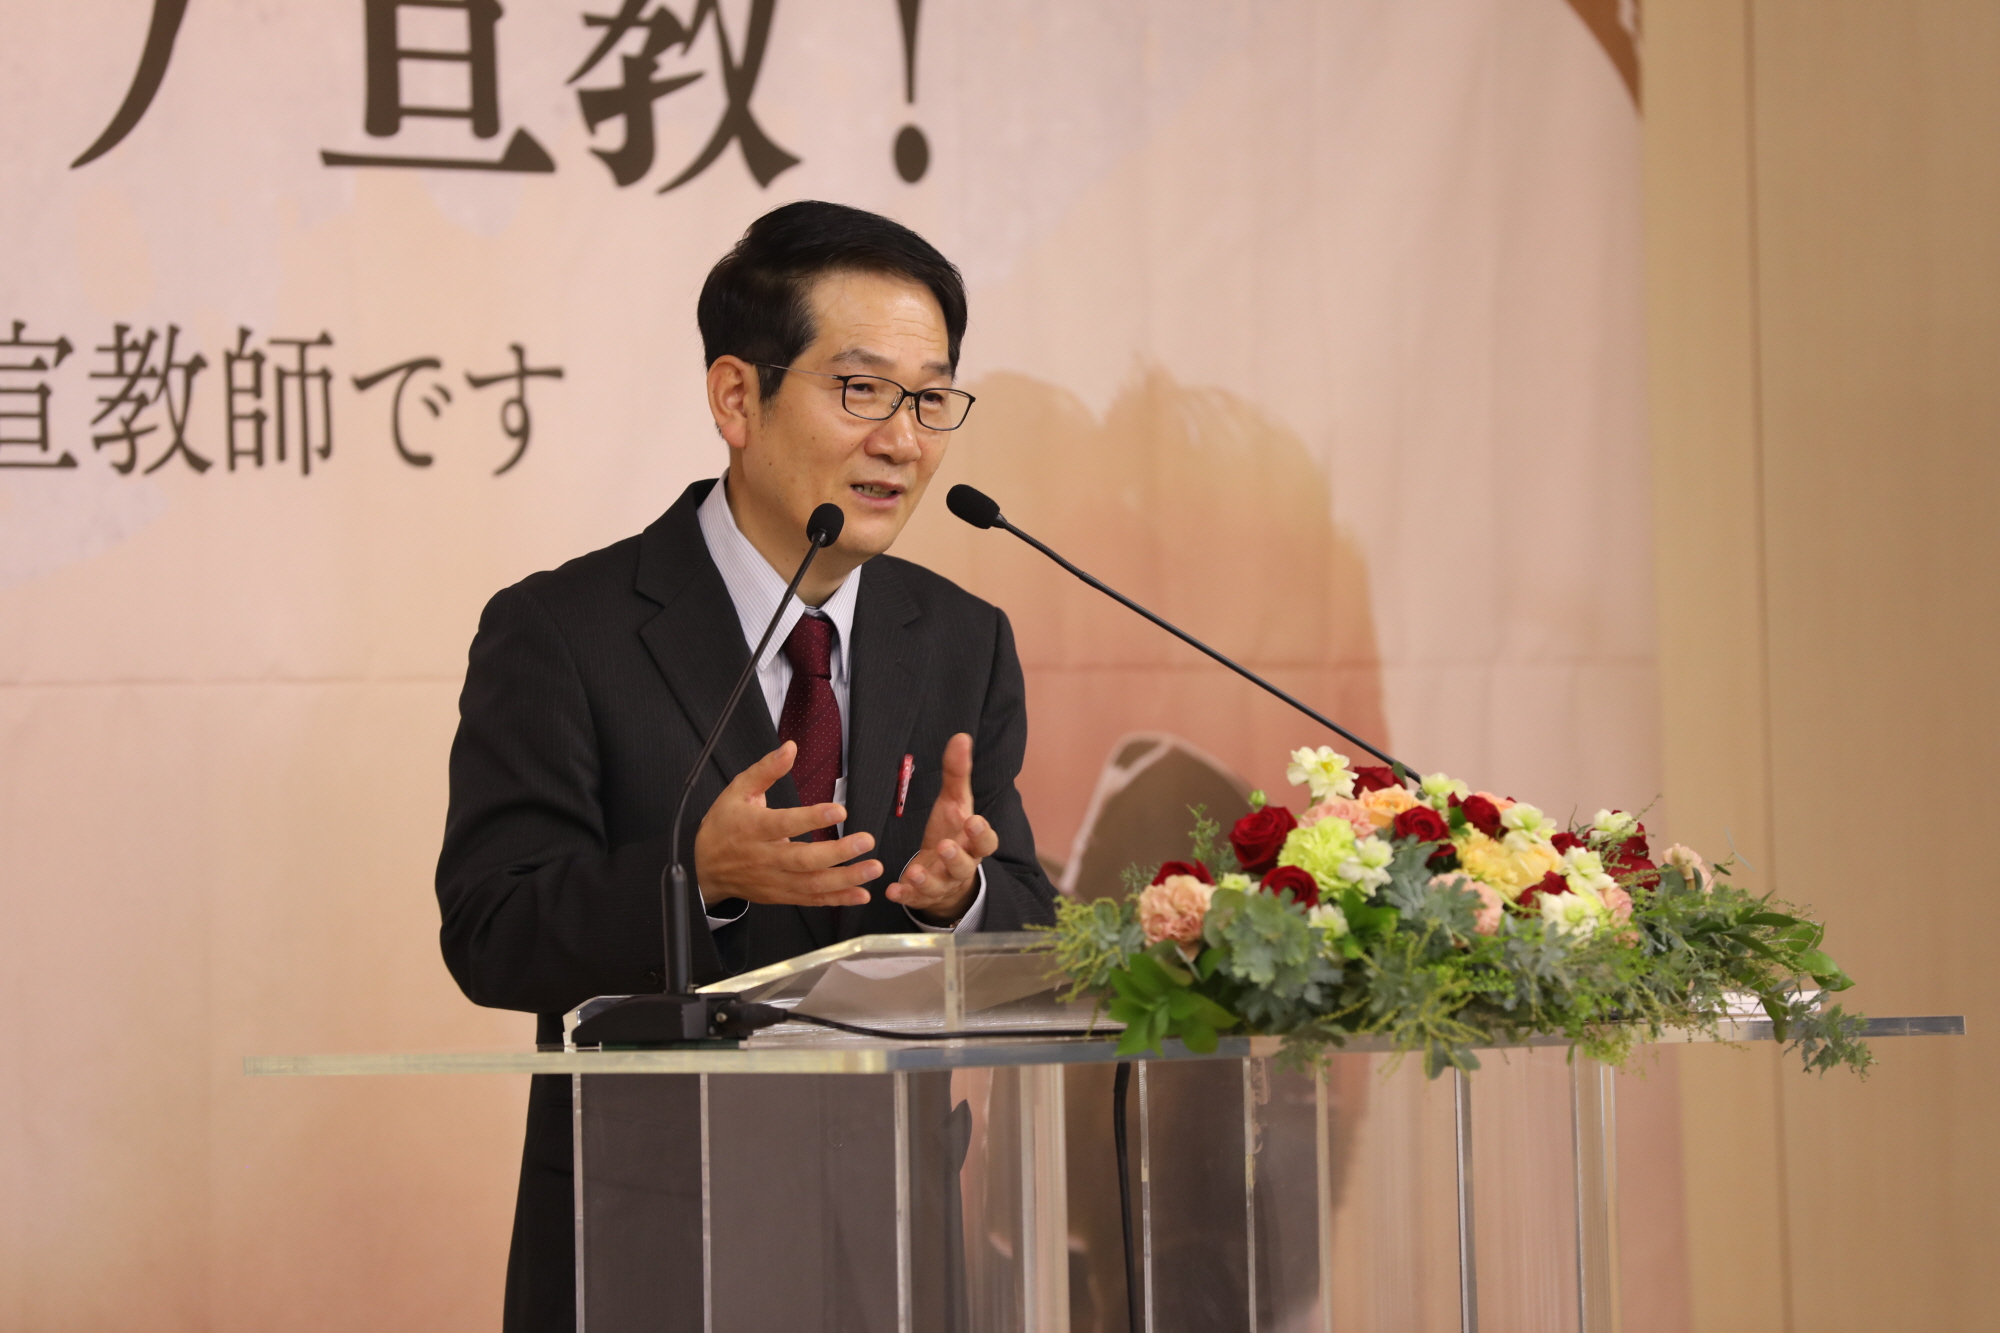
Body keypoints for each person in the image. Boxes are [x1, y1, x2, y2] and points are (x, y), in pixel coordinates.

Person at [434, 200, 1059, 1331]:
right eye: (860, 389)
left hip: (891, 1239)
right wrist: (699, 874)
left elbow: (1025, 913)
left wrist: (959, 899)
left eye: (930, 399)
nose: (903, 440)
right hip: (651, 1242)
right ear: (736, 397)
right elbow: (491, 927)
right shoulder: (563, 629)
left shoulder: (959, 639)